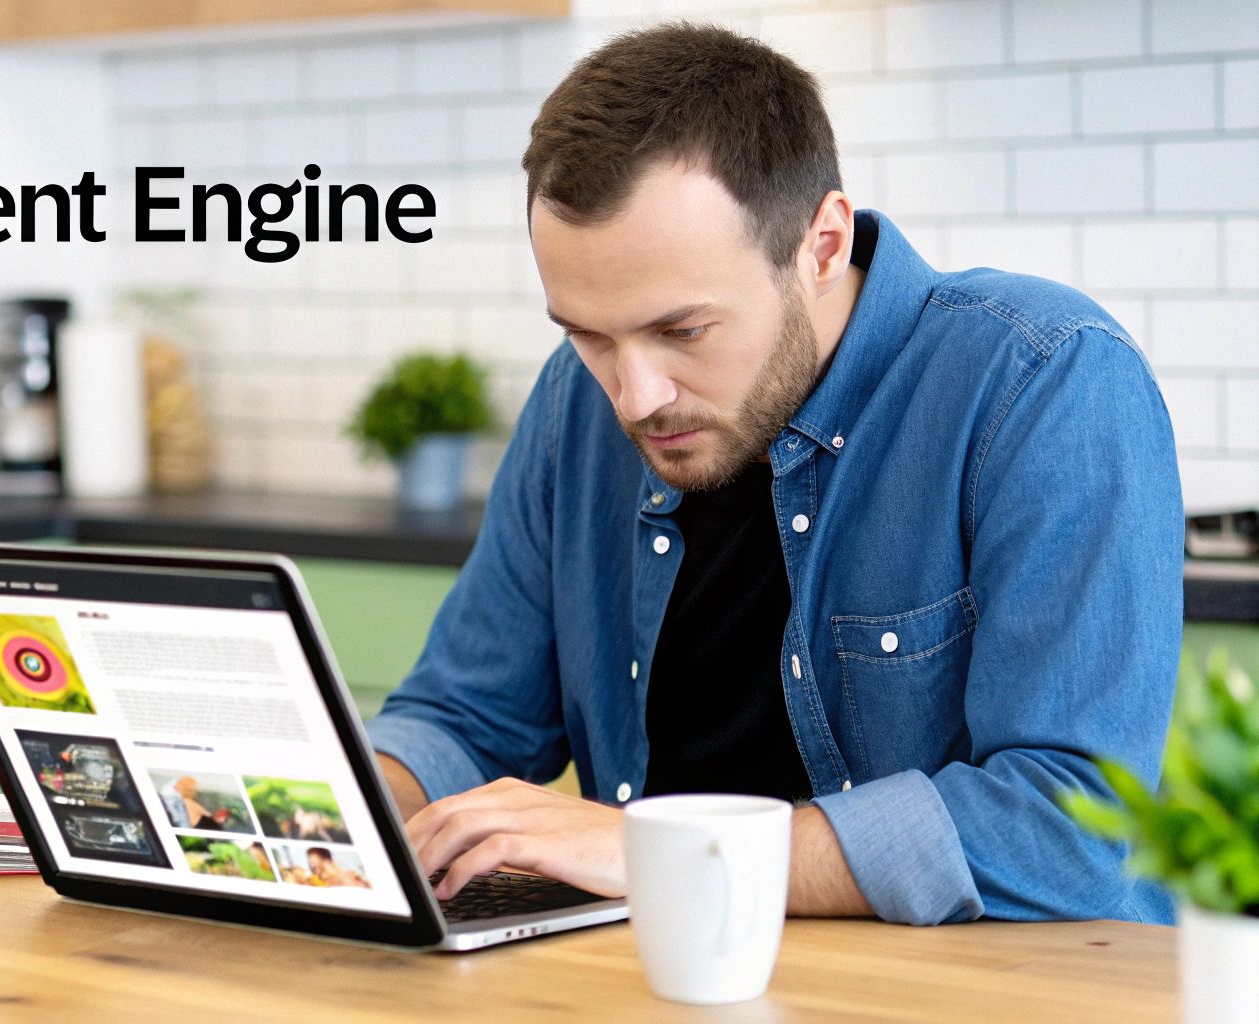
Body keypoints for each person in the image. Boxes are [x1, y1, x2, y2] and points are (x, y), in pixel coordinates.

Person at [366, 23, 1183, 926]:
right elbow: (462, 719)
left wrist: (659, 852)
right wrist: (316, 808)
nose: (635, 396)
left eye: (682, 331)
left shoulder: (1044, 379)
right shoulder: (575, 404)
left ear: (822, 244)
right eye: (589, 334)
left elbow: (1065, 825)